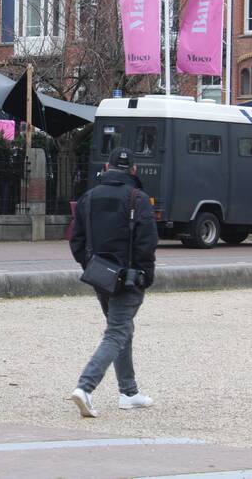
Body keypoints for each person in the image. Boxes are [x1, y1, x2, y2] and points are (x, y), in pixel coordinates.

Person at [68, 147, 157, 418]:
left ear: (106, 169)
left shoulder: (89, 197)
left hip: (100, 276)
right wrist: (144, 276)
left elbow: (76, 240)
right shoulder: (137, 199)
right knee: (117, 332)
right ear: (133, 170)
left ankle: (128, 392)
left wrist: (91, 266)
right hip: (129, 277)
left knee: (121, 330)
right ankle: (85, 387)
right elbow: (147, 242)